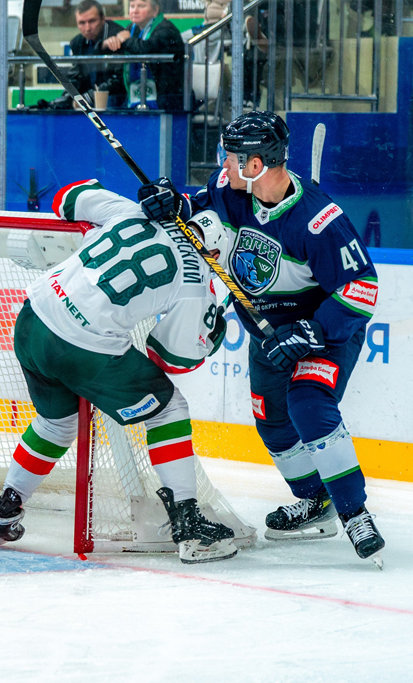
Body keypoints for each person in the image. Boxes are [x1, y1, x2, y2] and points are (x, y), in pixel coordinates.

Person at [138, 111, 385, 564]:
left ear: (255, 166)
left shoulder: (319, 221)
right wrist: (171, 203)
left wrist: (312, 331)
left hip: (323, 333)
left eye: (231, 157)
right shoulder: (231, 189)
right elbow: (199, 210)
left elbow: (361, 288)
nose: (223, 164)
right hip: (268, 335)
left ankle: (355, 513)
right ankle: (315, 501)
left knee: (308, 403)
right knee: (271, 419)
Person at [0, 179, 239, 563]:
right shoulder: (195, 279)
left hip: (33, 319)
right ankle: (188, 523)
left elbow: (66, 197)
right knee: (168, 409)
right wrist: (210, 335)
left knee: (55, 425)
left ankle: (4, 511)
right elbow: (170, 357)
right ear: (213, 252)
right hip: (81, 349)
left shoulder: (133, 211)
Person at [101, 0, 185, 110]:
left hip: (168, 99)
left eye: (141, 6)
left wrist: (125, 40)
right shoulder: (132, 28)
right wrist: (106, 44)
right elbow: (121, 49)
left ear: (155, 10)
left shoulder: (166, 29)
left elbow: (145, 49)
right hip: (135, 96)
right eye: (132, 6)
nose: (135, 11)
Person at [66, 0, 127, 106]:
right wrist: (66, 98)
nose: (87, 28)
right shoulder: (77, 42)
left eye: (92, 21)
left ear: (103, 18)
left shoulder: (118, 35)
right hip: (89, 101)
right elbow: (76, 78)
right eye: (82, 23)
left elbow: (118, 81)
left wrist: (88, 97)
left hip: (116, 100)